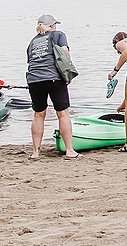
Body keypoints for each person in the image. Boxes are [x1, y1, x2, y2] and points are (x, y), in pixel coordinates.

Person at [25, 14, 80, 160]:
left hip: (34, 80)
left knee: (38, 114)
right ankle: (69, 150)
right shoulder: (58, 35)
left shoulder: (32, 42)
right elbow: (64, 53)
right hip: (53, 78)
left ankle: (35, 152)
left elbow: (31, 61)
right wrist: (67, 75)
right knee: (63, 114)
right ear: (51, 26)